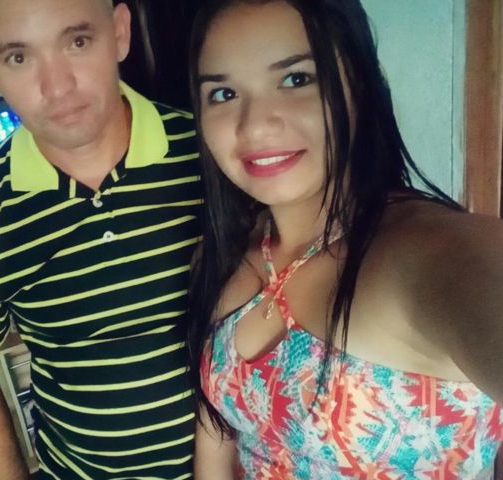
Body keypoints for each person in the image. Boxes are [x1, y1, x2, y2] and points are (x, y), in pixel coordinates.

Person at [186, 0, 503, 478]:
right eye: (224, 93)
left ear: (359, 84)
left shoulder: (428, 252)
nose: (254, 125)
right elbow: (216, 440)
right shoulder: (223, 254)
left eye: (296, 79)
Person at [0, 0, 201, 478]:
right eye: (18, 57)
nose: (57, 87)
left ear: (119, 33)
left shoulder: (210, 152)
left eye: (77, 41)